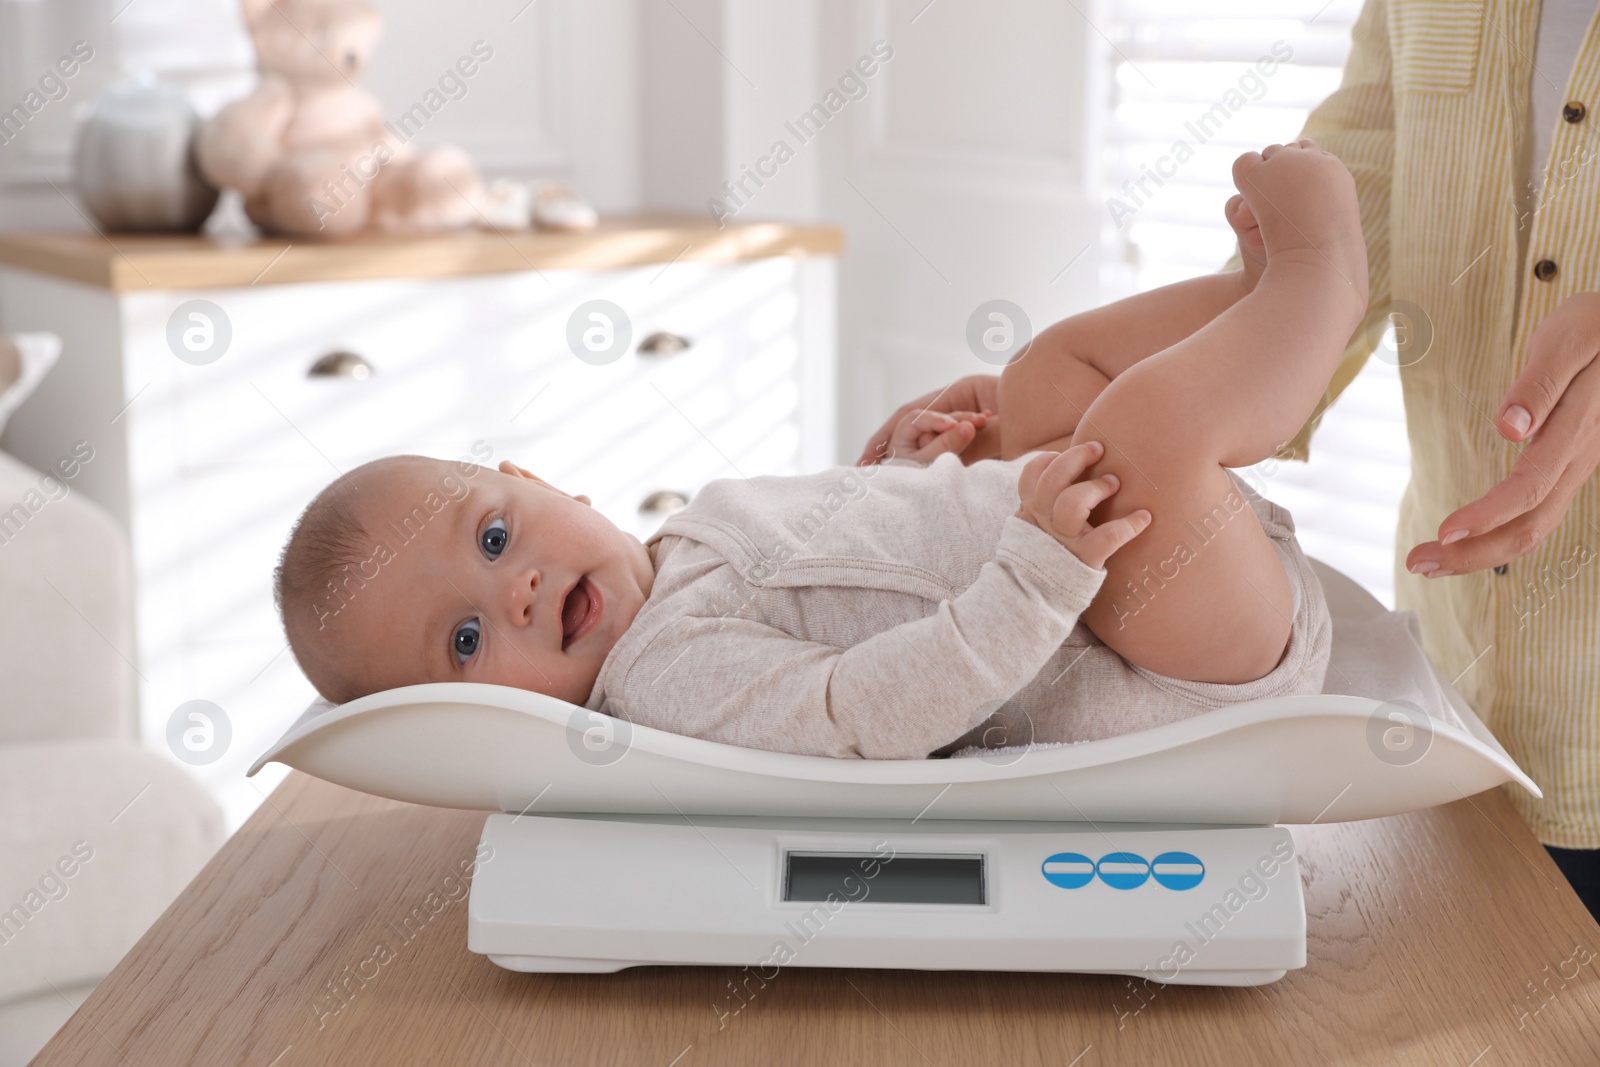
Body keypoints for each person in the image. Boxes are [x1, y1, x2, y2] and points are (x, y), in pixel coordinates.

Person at [865, 0, 1600, 919]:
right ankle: (1299, 282)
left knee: (1092, 399)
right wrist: (1009, 437)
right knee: (1085, 397)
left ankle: (1300, 280)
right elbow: (1362, 177)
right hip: (1457, 686)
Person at [272, 141, 1362, 758]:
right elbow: (859, 710)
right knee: (1143, 434)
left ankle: (1246, 313)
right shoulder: (662, 682)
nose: (516, 592)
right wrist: (1030, 570)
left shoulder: (687, 540)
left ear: (542, 484)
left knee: (1038, 378)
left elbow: (843, 571)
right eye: (465, 637)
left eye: (498, 537)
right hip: (1170, 661)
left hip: (1116, 571)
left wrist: (913, 474)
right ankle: (1318, 278)